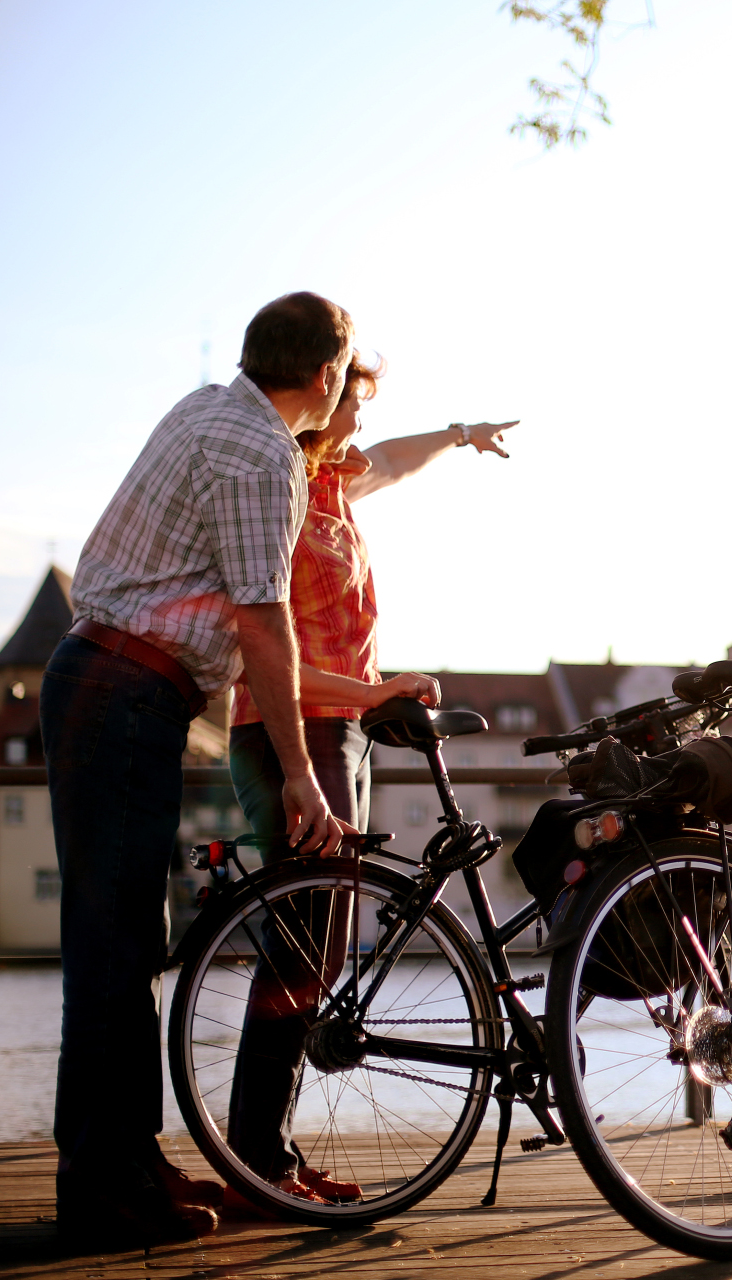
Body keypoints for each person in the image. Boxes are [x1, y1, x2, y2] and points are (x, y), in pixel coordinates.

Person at [42, 292, 355, 1247]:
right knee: (113, 945)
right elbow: (263, 620)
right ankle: (101, 1186)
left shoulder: (204, 408)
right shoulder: (264, 451)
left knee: (126, 936)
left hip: (109, 679)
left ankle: (125, 1162)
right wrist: (301, 773)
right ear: (324, 373)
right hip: (125, 688)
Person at [221, 353, 517, 1208]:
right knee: (302, 943)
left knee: (318, 942)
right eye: (352, 404)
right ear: (319, 402)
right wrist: (371, 691)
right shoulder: (277, 490)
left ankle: (265, 1155)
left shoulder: (339, 484)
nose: (359, 424)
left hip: (338, 726)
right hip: (288, 728)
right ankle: (257, 1165)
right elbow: (262, 654)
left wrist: (462, 437)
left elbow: (394, 456)